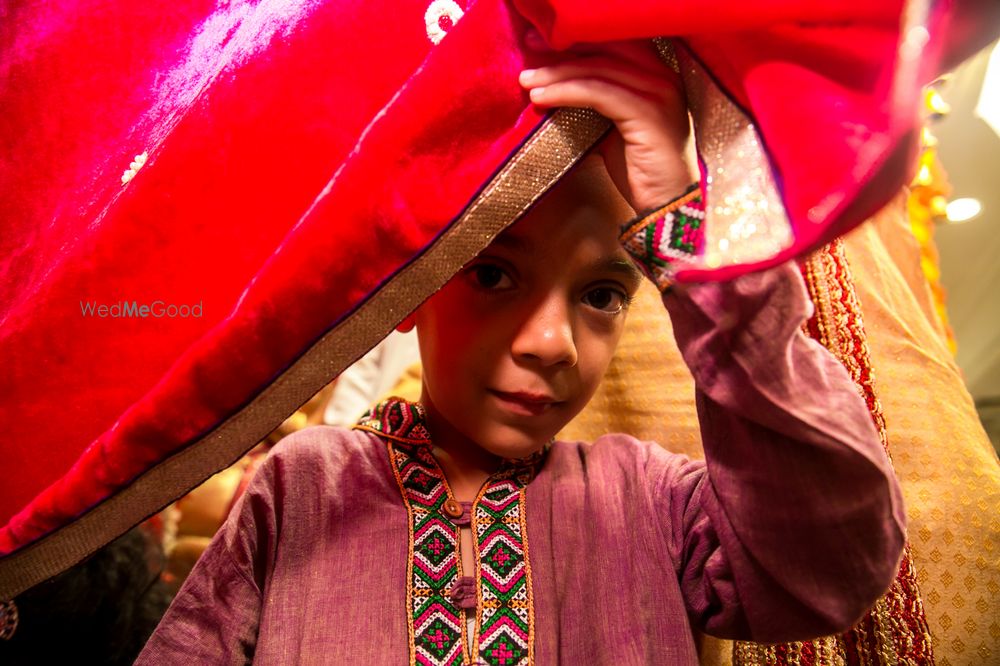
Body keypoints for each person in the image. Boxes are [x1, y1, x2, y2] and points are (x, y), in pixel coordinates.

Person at [136, 36, 905, 664]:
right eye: (493, 274)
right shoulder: (302, 485)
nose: (551, 345)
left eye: (603, 294)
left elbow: (828, 565)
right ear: (408, 293)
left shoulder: (654, 502)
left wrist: (683, 225)